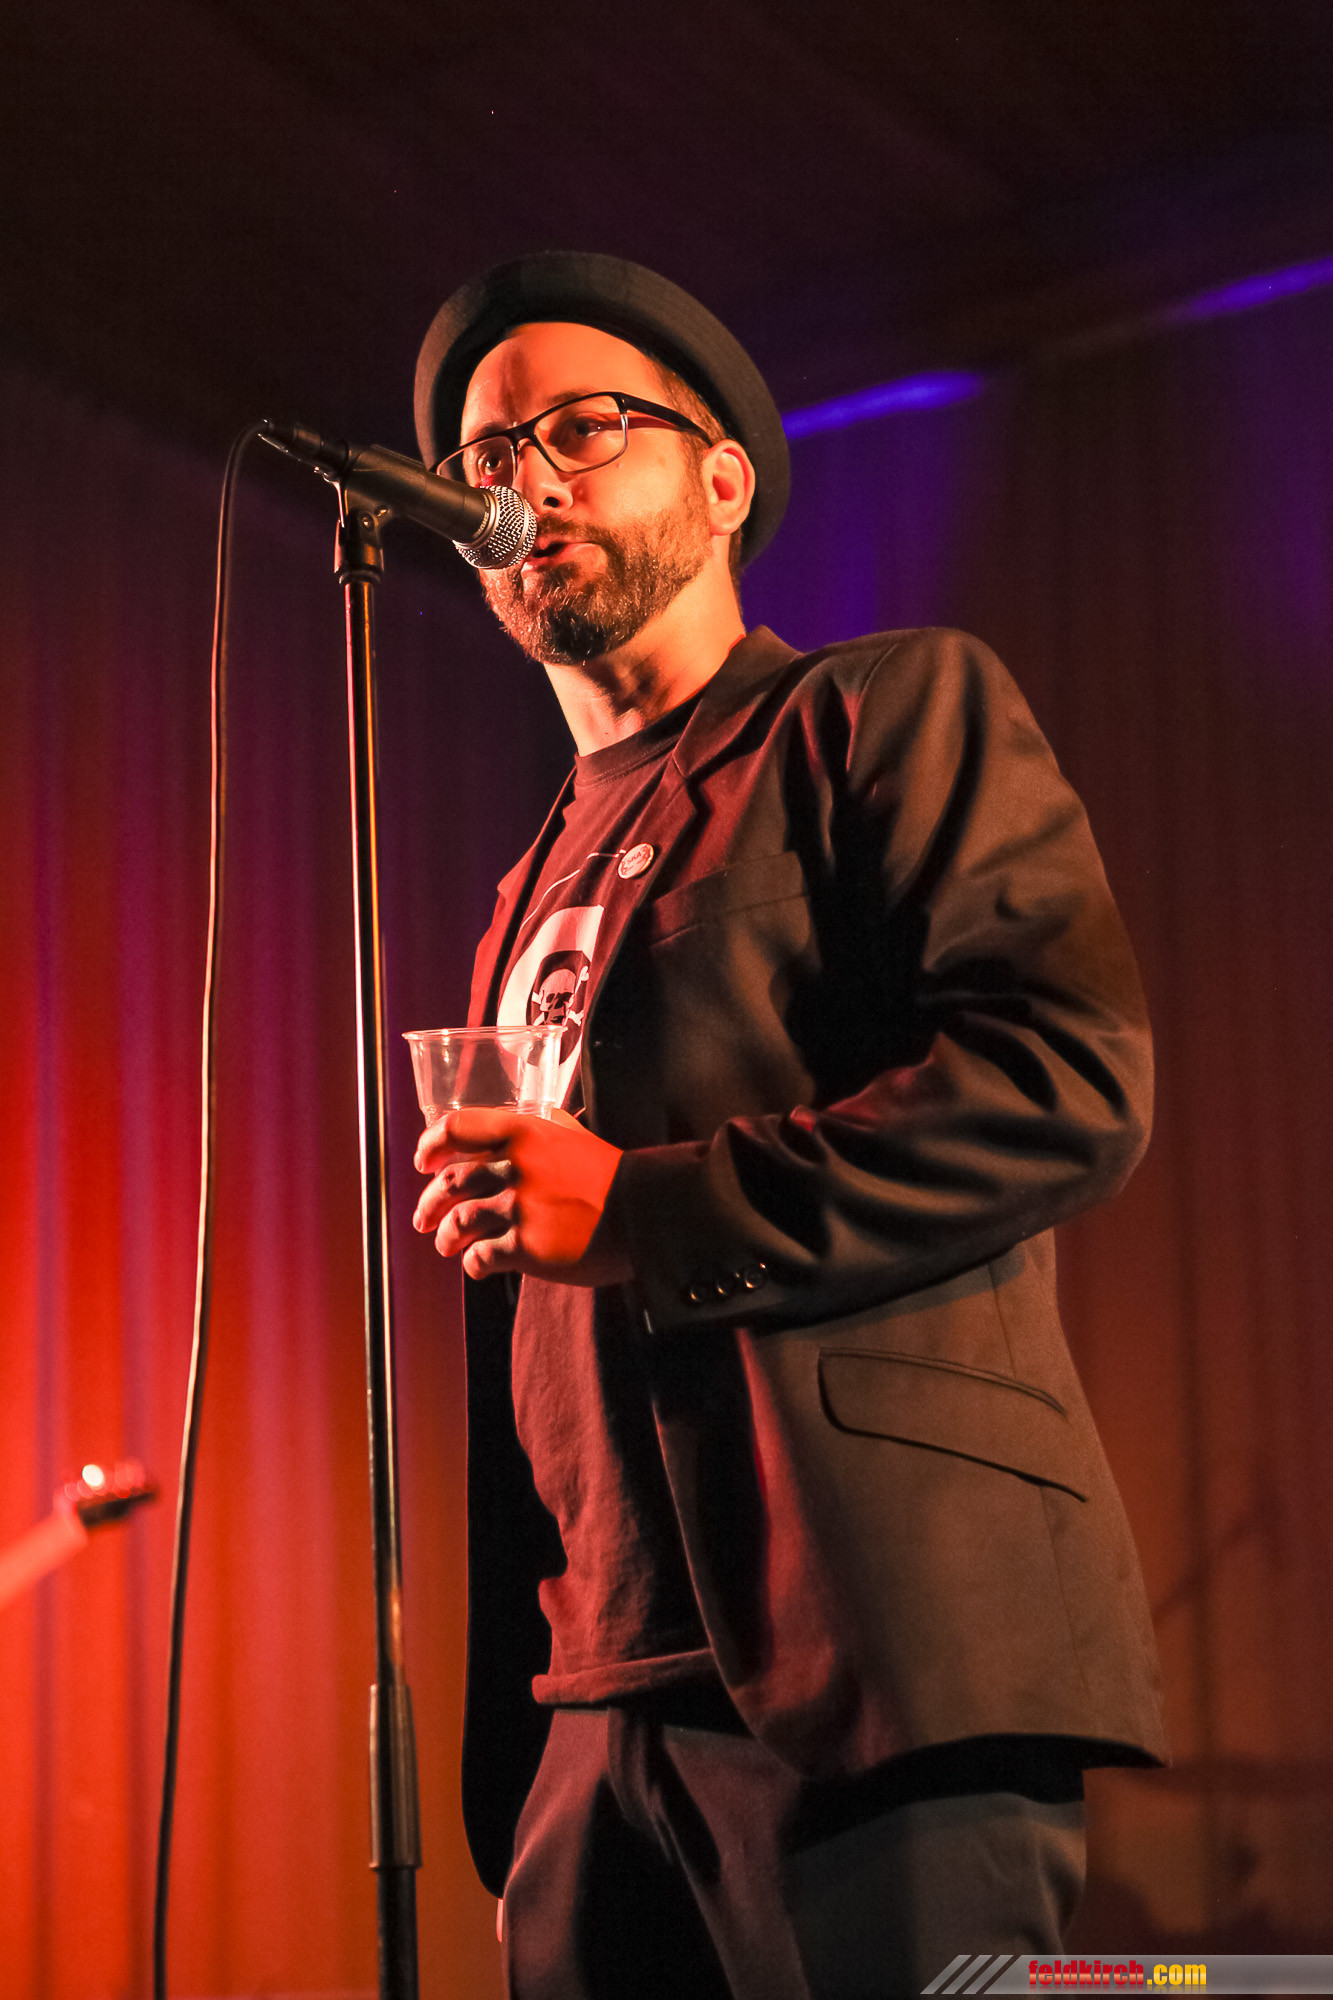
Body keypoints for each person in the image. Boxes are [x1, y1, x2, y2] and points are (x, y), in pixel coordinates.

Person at [409, 253, 1165, 1999]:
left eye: (581, 429)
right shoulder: (526, 880)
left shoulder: (879, 711)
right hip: (587, 1702)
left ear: (722, 477)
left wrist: (642, 1210)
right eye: (487, 457)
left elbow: (1064, 1079)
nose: (526, 480)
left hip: (872, 1664)